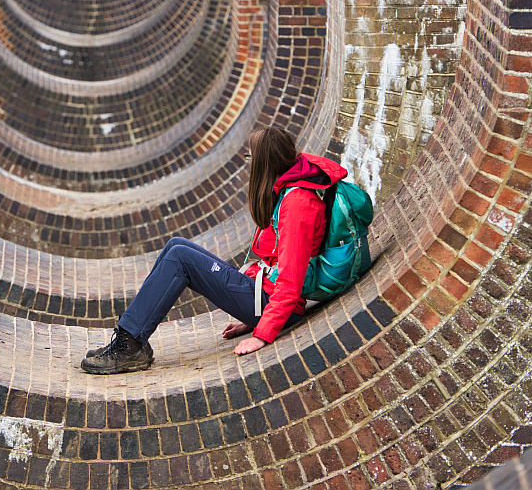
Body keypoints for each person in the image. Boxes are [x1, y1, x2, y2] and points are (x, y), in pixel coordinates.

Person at [80, 126, 348, 374]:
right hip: (263, 293)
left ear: (264, 163)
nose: (249, 164)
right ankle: (131, 339)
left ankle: (129, 346)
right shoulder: (292, 190)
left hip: (278, 306)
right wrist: (250, 318)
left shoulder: (299, 203)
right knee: (177, 245)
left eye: (250, 157)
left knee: (180, 258)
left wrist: (262, 332)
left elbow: (291, 282)